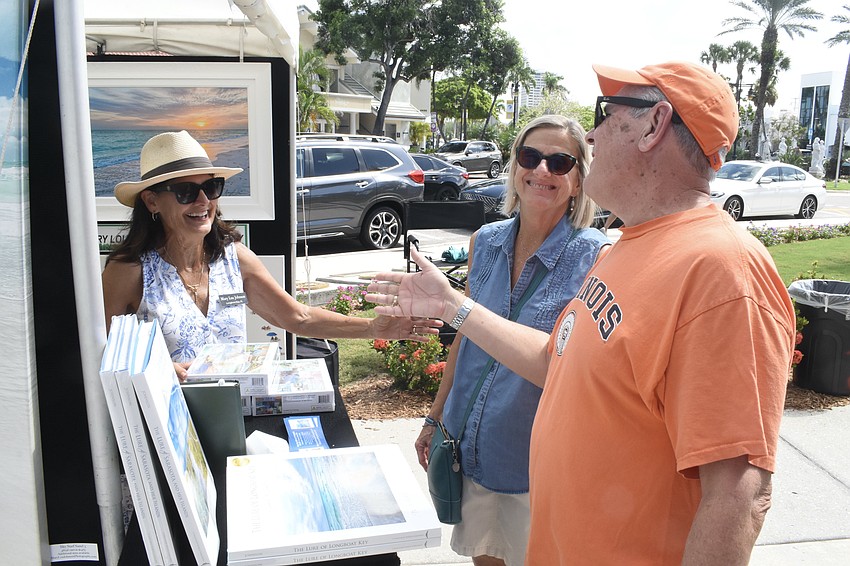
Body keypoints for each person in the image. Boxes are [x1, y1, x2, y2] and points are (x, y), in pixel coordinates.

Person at [367, 61, 795, 565]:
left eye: (608, 115)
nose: (593, 134)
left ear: (654, 126)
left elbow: (738, 495)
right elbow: (555, 362)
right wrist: (451, 306)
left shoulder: (723, 272)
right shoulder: (631, 247)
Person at [414, 115, 609, 566]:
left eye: (560, 162)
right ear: (515, 167)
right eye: (530, 156)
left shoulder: (595, 257)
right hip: (473, 447)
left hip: (536, 463)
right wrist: (434, 417)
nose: (542, 171)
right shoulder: (486, 241)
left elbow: (580, 370)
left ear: (578, 181)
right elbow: (464, 337)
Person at [102, 130, 437, 380]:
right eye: (186, 191)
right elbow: (101, 355)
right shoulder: (128, 272)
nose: (203, 201)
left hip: (235, 418)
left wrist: (375, 328)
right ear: (151, 202)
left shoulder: (234, 258)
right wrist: (158, 371)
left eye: (212, 187)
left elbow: (297, 318)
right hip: (167, 433)